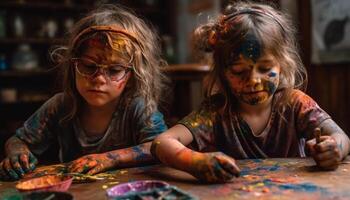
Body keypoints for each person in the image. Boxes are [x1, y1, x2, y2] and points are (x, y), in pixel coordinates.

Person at [151, 1, 350, 183]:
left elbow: (341, 137)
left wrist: (335, 148)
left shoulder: (296, 103)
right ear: (222, 72)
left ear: (283, 65)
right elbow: (161, 142)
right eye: (239, 71)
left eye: (264, 68)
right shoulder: (215, 112)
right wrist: (194, 162)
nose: (253, 80)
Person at [0, 5, 168, 181]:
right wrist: (17, 154)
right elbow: (18, 140)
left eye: (114, 70)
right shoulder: (62, 105)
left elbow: (160, 147)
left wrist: (109, 159)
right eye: (88, 66)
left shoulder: (138, 107)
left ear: (133, 76)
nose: (99, 79)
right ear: (73, 65)